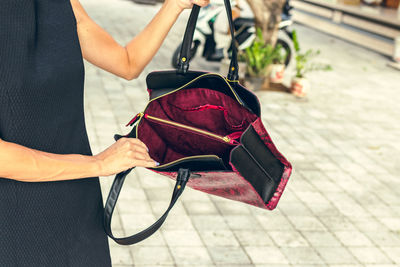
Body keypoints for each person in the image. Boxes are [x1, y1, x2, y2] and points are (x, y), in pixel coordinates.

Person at [0, 0, 209, 266]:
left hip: (75, 200)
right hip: (12, 218)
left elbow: (127, 62)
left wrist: (174, 5)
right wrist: (98, 163)